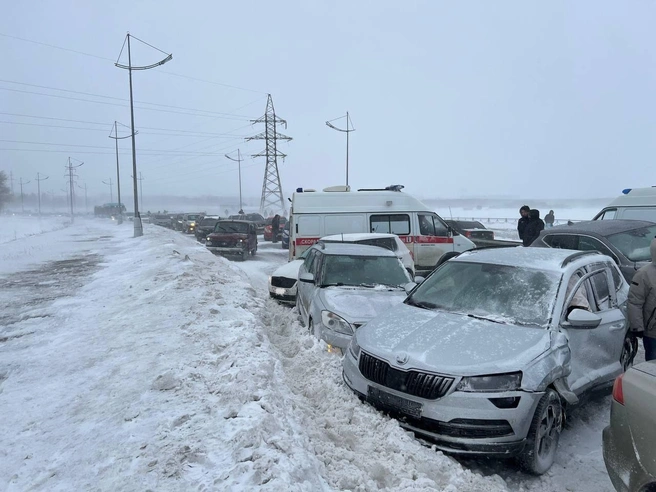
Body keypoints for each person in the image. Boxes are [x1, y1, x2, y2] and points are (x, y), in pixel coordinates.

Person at [628, 238, 656, 361]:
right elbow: (635, 302)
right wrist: (637, 327)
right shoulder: (644, 274)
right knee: (652, 367)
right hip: (653, 333)